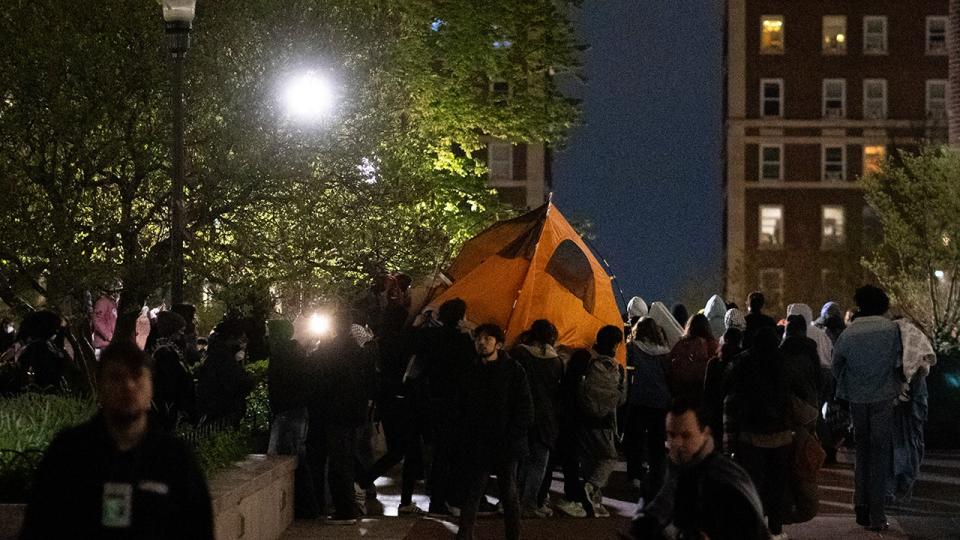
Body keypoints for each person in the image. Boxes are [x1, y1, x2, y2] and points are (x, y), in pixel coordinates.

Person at [20, 340, 213, 539]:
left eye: (137, 376)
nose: (128, 386)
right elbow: (39, 525)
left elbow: (198, 528)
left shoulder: (174, 458)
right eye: (116, 377)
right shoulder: (70, 452)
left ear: (151, 387)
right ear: (100, 384)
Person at [626, 399, 768, 540]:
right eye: (671, 435)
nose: (677, 443)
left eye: (686, 436)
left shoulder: (723, 478)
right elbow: (660, 503)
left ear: (705, 434)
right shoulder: (679, 466)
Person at [832, 285, 902, 532]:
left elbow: (836, 363)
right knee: (880, 454)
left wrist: (845, 387)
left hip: (857, 398)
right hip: (883, 396)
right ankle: (877, 513)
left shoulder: (850, 333)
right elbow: (900, 361)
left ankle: (860, 505)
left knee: (861, 452)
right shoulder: (892, 330)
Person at [456, 324, 533, 540]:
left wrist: (512, 435)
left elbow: (525, 409)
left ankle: (513, 536)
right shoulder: (471, 370)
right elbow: (461, 406)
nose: (481, 342)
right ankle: (464, 535)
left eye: (487, 339)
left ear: (498, 344)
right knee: (473, 492)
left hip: (506, 444)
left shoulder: (514, 371)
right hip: (479, 442)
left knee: (508, 494)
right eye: (478, 338)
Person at [306, 310, 378, 525]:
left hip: (335, 414)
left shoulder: (329, 352)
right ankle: (351, 502)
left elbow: (319, 384)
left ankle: (345, 510)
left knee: (339, 464)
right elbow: (372, 383)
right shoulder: (360, 351)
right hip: (356, 413)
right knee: (347, 459)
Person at [727, 326, 793, 539]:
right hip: (780, 433)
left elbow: (729, 388)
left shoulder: (743, 361)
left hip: (751, 433)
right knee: (777, 485)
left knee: (752, 484)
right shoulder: (783, 361)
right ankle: (776, 529)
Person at [414, 298, 476, 516]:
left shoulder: (429, 337)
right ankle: (449, 498)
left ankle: (436, 499)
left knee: (437, 452)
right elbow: (470, 374)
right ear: (461, 317)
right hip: (455, 404)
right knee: (454, 454)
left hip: (431, 400)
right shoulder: (464, 342)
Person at [266, 319, 320, 519]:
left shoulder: (284, 355)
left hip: (289, 411)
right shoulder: (295, 353)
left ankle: (307, 507)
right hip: (293, 409)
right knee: (295, 457)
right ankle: (307, 507)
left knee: (289, 457)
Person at [510, 319, 563, 518]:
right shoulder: (556, 361)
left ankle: (510, 500)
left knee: (518, 460)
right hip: (546, 417)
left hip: (521, 413)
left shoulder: (519, 353)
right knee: (538, 462)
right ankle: (529, 503)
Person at [573, 325, 627, 517]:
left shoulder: (586, 359)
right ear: (616, 343)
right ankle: (590, 488)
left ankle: (594, 503)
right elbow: (621, 399)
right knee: (608, 458)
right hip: (604, 421)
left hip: (582, 418)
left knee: (589, 461)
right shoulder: (618, 367)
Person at [779, 315, 823, 524]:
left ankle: (790, 497)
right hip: (810, 407)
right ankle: (806, 497)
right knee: (806, 450)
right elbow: (819, 377)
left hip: (789, 407)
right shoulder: (810, 348)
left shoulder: (782, 348)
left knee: (789, 452)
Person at [624, 317, 672, 502]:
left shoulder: (632, 348)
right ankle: (656, 477)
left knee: (634, 439)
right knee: (657, 442)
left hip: (637, 399)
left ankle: (635, 476)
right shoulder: (664, 353)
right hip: (660, 402)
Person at [196, 318, 254, 425]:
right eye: (240, 338)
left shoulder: (215, 353)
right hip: (222, 411)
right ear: (231, 337)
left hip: (217, 409)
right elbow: (236, 382)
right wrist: (249, 378)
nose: (242, 341)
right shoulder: (222, 357)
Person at [147, 311, 197, 431]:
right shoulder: (165, 352)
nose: (182, 333)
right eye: (180, 329)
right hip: (166, 403)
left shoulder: (162, 348)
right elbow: (171, 380)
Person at [702, 327, 742, 448]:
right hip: (736, 414)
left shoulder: (713, 363)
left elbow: (706, 390)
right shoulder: (742, 362)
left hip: (715, 413)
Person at [666, 313, 716, 404]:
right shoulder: (712, 345)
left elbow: (669, 365)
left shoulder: (681, 345)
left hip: (681, 396)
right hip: (704, 396)